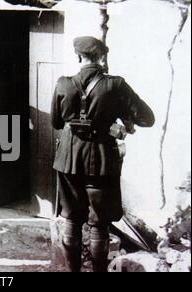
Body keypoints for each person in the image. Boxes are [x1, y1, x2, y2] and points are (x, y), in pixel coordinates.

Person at [51, 36, 155, 272]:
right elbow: (147, 118)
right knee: (99, 224)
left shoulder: (62, 83)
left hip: (68, 160)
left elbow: (57, 122)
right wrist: (121, 118)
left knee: (71, 220)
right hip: (101, 161)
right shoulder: (115, 85)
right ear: (101, 57)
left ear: (78, 56)